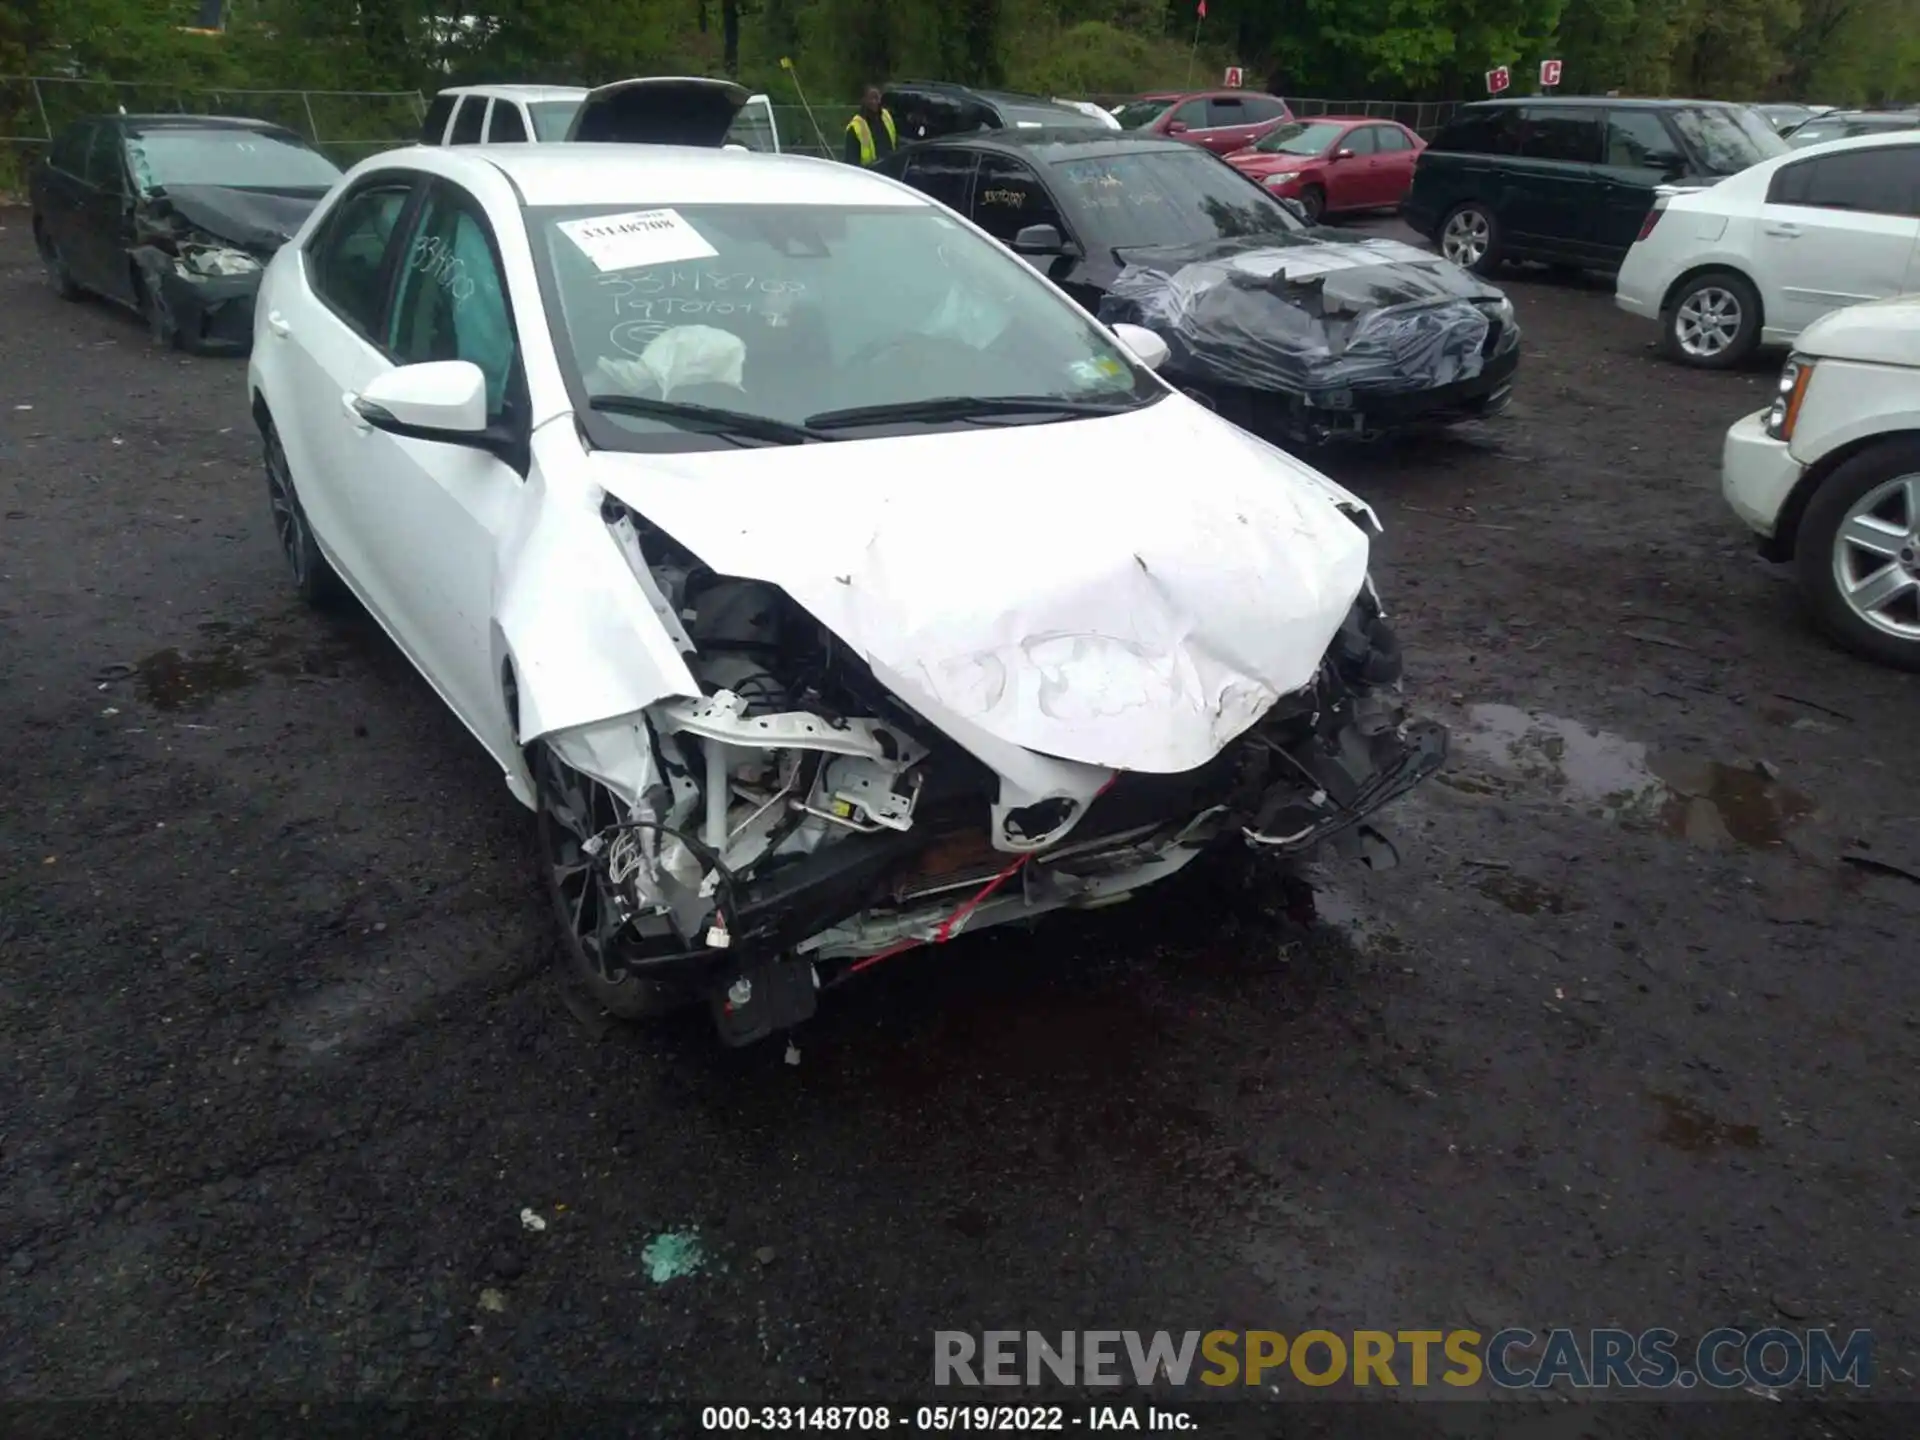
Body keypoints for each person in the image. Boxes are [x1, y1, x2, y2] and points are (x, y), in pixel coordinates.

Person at [843, 84, 899, 166]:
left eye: (877, 98)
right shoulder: (855, 127)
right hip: (868, 172)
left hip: (889, 168)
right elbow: (851, 161)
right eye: (871, 98)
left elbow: (895, 142)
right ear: (863, 100)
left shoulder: (886, 116)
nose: (875, 101)